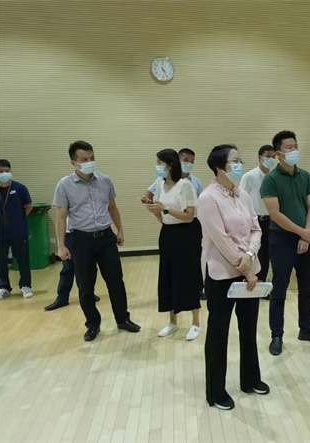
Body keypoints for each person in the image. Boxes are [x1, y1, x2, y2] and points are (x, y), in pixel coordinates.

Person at [198, 144, 269, 411]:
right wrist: (246, 268)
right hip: (222, 275)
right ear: (220, 166)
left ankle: (250, 379)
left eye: (240, 160)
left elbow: (256, 228)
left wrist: (250, 254)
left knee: (249, 329)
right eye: (234, 161)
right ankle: (216, 391)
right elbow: (221, 239)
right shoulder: (208, 198)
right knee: (218, 333)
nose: (239, 165)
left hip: (249, 269)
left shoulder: (243, 195)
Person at [53, 141, 141, 341]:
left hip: (105, 237)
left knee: (116, 281)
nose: (89, 162)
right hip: (80, 239)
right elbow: (61, 216)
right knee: (85, 286)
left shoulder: (105, 180)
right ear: (73, 163)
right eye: (84, 159)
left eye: (91, 158)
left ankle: (123, 319)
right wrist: (61, 245)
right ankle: (92, 324)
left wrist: (120, 230)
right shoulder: (64, 185)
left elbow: (112, 207)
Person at [261, 130, 310, 356]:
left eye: (295, 146)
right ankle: (277, 335)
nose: (294, 150)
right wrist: (302, 232)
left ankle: (306, 329)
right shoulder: (270, 180)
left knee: (307, 287)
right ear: (278, 153)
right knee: (279, 289)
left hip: (304, 237)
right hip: (281, 239)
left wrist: (305, 235)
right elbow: (275, 214)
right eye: (288, 147)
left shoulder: (305, 176)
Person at [145, 149, 202, 341]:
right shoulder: (160, 185)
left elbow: (189, 216)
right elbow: (162, 216)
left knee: (189, 275)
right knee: (168, 276)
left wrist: (166, 209)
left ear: (169, 165)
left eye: (159, 163)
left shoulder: (185, 185)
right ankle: (172, 321)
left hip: (187, 233)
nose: (157, 166)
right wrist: (155, 210)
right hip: (168, 233)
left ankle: (196, 323)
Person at [239, 145, 276, 297]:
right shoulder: (250, 176)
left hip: (270, 220)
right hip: (253, 221)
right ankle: (249, 283)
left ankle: (262, 285)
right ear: (260, 157)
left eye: (273, 157)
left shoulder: (274, 177)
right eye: (268, 157)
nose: (271, 160)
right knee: (253, 253)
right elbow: (240, 199)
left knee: (266, 254)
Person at [44, 219, 101, 311]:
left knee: (88, 267)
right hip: (69, 233)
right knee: (68, 267)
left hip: (87, 232)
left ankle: (88, 293)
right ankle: (62, 297)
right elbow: (60, 218)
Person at [0, 159, 33, 300]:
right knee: (0, 261)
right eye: (0, 171)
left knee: (23, 260)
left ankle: (25, 285)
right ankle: (4, 287)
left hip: (18, 231)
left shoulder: (20, 188)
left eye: (7, 171)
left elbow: (28, 206)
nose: (4, 173)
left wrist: (19, 219)